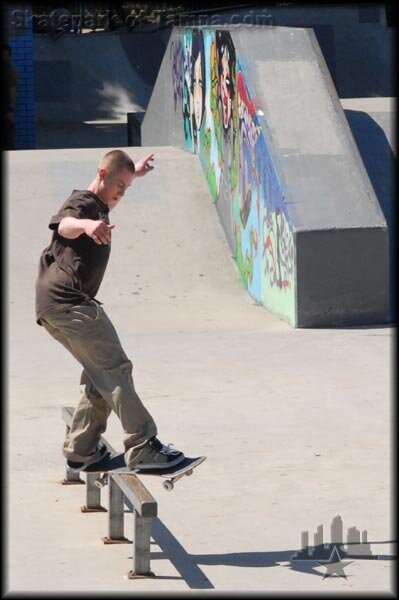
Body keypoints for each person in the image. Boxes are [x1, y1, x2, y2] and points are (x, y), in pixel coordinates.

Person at [35, 150, 185, 472]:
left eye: (127, 187)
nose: (121, 192)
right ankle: (143, 446)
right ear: (101, 174)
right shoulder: (84, 204)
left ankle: (82, 450)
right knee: (116, 368)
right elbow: (65, 225)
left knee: (99, 373)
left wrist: (134, 175)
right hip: (72, 303)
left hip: (54, 307)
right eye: (118, 183)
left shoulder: (100, 205)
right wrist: (87, 225)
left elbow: (108, 203)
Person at [2, 43, 18, 150]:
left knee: (8, 136)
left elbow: (12, 90)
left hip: (5, 108)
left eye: (5, 55)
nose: (3, 58)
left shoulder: (10, 71)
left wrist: (10, 109)